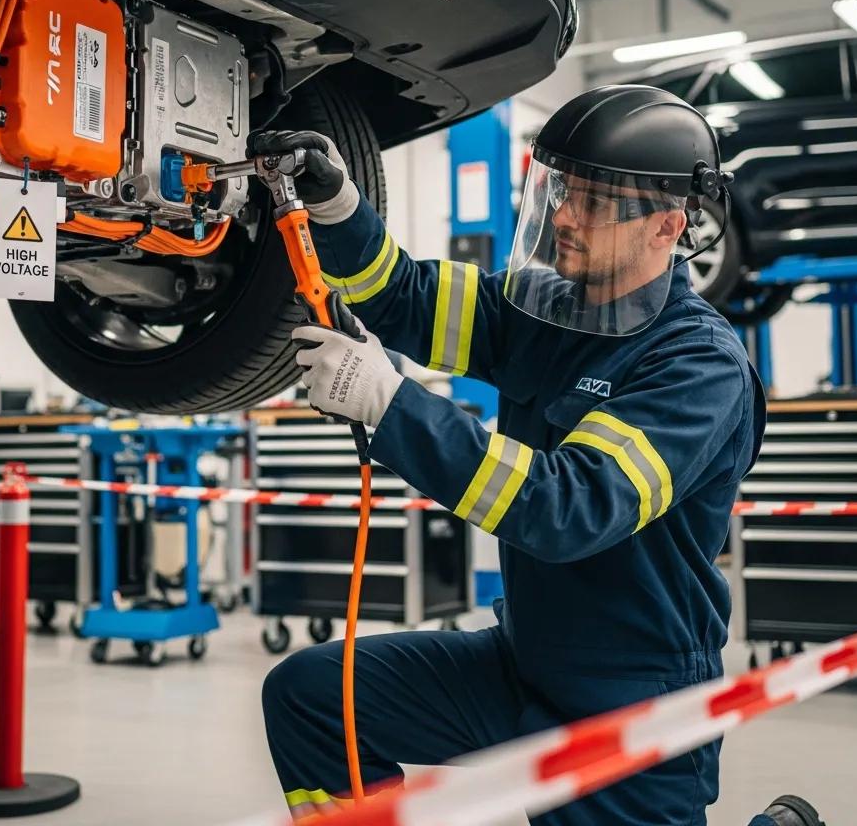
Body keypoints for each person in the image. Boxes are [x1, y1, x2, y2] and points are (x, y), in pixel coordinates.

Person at [257, 85, 769, 825]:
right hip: (521, 662)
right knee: (312, 697)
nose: (562, 215)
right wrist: (338, 206)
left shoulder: (697, 365)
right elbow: (403, 297)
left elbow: (567, 507)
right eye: (559, 190)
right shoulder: (544, 308)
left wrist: (388, 401)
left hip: (628, 704)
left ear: (666, 225)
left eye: (592, 202)